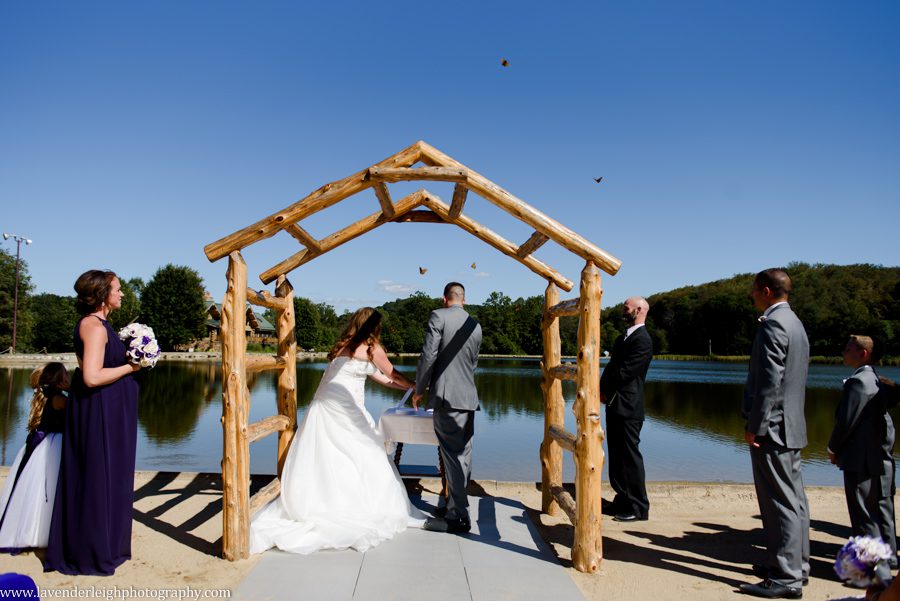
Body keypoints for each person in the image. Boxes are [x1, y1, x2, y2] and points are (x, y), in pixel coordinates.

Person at [250, 307, 424, 554]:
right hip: (345, 408)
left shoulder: (344, 346)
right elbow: (392, 373)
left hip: (322, 407)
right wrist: (416, 387)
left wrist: (406, 389)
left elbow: (383, 379)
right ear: (373, 327)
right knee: (366, 453)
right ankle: (356, 507)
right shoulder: (372, 349)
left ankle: (322, 503)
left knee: (325, 456)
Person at [44, 270, 141, 576]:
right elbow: (92, 376)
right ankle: (90, 552)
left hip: (110, 410)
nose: (122, 294)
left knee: (110, 475)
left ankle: (107, 544)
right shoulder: (94, 327)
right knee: (96, 476)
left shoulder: (102, 325)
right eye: (118, 289)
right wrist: (131, 366)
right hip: (98, 411)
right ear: (102, 294)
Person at [740, 268, 810, 599]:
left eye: (754, 290)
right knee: (794, 500)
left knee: (779, 501)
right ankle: (797, 565)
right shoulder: (795, 322)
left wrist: (756, 425)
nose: (751, 295)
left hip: (774, 428)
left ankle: (786, 576)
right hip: (791, 425)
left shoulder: (774, 324)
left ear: (767, 291)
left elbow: (770, 382)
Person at [412, 282, 482, 534]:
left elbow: (428, 355)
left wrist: (420, 389)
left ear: (445, 299)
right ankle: (454, 504)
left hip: (446, 397)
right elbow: (473, 362)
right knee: (464, 454)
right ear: (463, 299)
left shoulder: (438, 316)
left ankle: (458, 517)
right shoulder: (475, 325)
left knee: (451, 455)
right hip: (468, 397)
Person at [828, 335, 897, 575]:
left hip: (859, 458)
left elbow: (847, 421)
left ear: (863, 354)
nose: (843, 351)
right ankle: (874, 566)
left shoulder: (859, 382)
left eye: (849, 348)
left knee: (863, 515)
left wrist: (833, 448)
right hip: (869, 457)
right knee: (869, 512)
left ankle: (879, 571)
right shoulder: (874, 379)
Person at [0, 362, 68, 551]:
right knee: (49, 489)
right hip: (54, 445)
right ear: (59, 380)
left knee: (36, 490)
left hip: (40, 443)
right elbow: (80, 411)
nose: (69, 377)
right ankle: (45, 532)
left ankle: (31, 529)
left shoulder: (45, 398)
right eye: (66, 375)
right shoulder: (60, 399)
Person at [600, 296, 653, 522]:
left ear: (639, 310)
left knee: (630, 457)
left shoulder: (643, 340)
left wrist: (605, 388)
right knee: (617, 456)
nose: (624, 310)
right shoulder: (624, 337)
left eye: (627, 307)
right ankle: (622, 500)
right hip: (615, 403)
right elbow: (612, 367)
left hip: (629, 406)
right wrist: (601, 388)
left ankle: (639, 507)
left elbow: (626, 372)